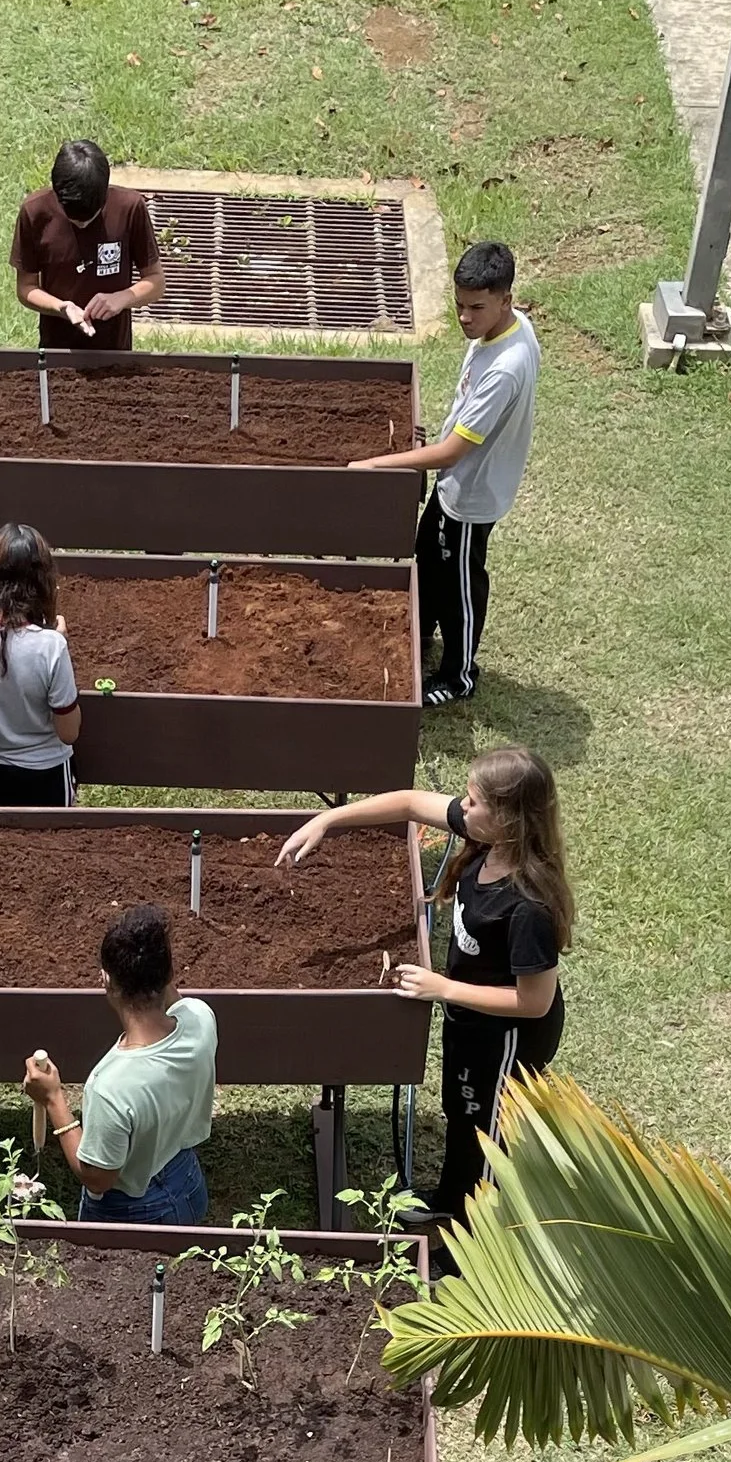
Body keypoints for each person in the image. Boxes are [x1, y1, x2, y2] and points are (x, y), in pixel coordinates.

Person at [277, 746, 573, 1220]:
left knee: (486, 1131)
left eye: (472, 802)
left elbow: (534, 1001)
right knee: (461, 1109)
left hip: (506, 1040)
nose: (461, 807)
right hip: (472, 1021)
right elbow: (411, 802)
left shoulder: (528, 907)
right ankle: (451, 1201)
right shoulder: (488, 836)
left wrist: (444, 989)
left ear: (507, 819)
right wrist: (329, 820)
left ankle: (473, 1238)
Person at [343, 241, 538, 707]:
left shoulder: (506, 368)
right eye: (459, 305)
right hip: (454, 488)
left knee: (461, 586)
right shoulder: (502, 330)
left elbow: (452, 453)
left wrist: (375, 464)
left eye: (476, 308)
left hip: (471, 496)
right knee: (429, 557)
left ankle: (459, 675)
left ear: (506, 300)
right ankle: (423, 632)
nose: (465, 318)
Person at [21, 904, 216, 1225]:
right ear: (169, 973)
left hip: (134, 1213)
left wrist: (53, 1098)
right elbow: (174, 999)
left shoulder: (112, 1085)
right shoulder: (200, 1018)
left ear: (107, 980)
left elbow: (97, 1177)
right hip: (188, 1182)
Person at [0, 524, 81, 806]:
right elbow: (69, 732)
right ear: (43, 580)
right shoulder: (51, 647)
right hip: (44, 778)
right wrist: (57, 642)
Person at [11, 139, 161, 349]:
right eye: (73, 218)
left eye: (91, 217)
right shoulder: (34, 212)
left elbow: (156, 281)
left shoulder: (129, 208)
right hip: (57, 348)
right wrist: (61, 307)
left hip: (115, 349)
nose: (82, 224)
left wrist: (121, 298)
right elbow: (26, 288)